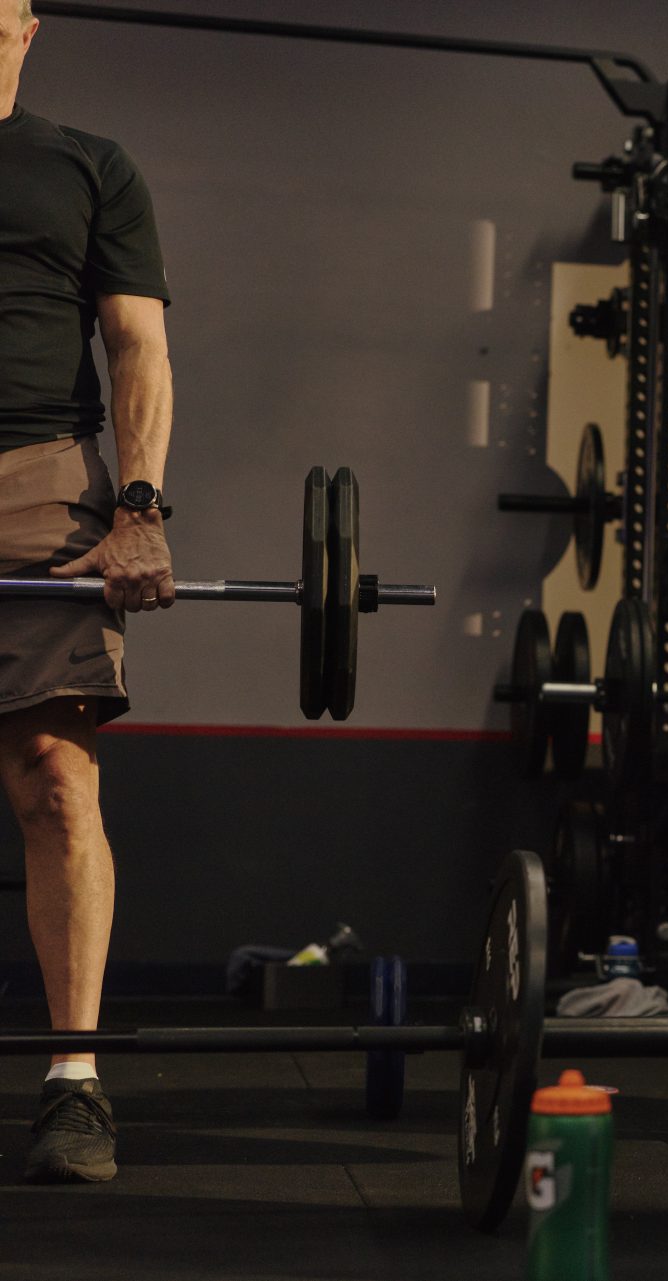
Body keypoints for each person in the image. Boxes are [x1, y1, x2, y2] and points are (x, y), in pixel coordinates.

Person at [2, 0, 178, 1184]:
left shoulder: (89, 167)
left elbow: (137, 347)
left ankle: (74, 1083)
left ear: (27, 22)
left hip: (40, 482)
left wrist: (140, 507)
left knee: (57, 785)